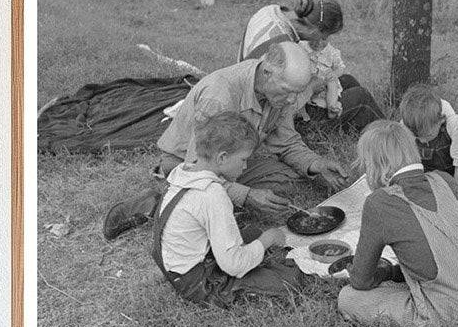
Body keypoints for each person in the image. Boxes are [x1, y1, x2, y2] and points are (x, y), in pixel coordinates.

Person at [103, 42, 347, 239]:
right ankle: (156, 200)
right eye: (288, 91)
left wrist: (317, 164)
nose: (293, 100)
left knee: (287, 182)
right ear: (267, 72)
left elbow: (286, 142)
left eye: (297, 92)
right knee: (211, 206)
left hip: (231, 160)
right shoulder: (220, 96)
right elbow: (196, 167)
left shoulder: (280, 94)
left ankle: (221, 200)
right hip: (187, 165)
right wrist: (246, 195)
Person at [335, 120, 458, 327]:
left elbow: (361, 280)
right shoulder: (445, 179)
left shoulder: (379, 202)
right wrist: (394, 271)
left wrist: (384, 275)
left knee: (348, 298)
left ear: (375, 166)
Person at [153, 112, 301, 305]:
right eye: (243, 160)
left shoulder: (185, 171)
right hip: (196, 282)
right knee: (288, 280)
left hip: (175, 265)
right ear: (222, 158)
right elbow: (234, 265)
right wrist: (268, 239)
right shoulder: (212, 194)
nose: (245, 166)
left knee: (253, 234)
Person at [238, 0, 383, 130]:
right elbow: (282, 103)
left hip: (247, 87)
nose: (324, 41)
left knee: (347, 80)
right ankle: (393, 138)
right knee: (362, 97)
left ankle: (355, 125)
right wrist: (313, 86)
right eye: (324, 36)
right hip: (273, 119)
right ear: (315, 30)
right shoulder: (284, 48)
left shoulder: (270, 11)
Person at [296, 34, 345, 121]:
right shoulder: (301, 46)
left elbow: (341, 67)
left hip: (325, 84)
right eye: (315, 38)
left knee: (332, 81)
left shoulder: (332, 52)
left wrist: (334, 73)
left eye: (324, 39)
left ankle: (331, 107)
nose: (319, 43)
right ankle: (306, 108)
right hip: (308, 82)